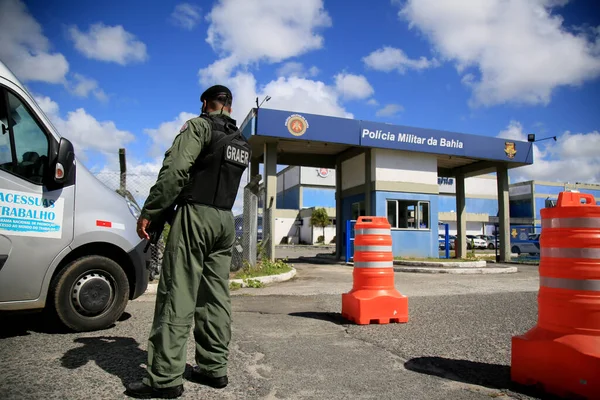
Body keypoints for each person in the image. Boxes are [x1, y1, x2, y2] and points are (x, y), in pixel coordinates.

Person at [125, 85, 251, 399]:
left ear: (205, 103)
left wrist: (151, 211)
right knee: (215, 297)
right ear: (230, 107)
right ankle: (213, 369)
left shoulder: (197, 126)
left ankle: (165, 380)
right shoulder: (242, 142)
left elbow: (175, 172)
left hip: (196, 216)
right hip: (224, 220)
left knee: (177, 293)